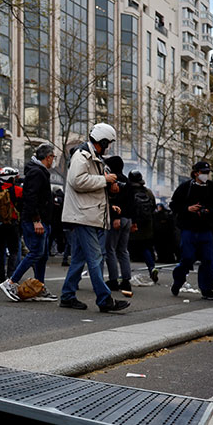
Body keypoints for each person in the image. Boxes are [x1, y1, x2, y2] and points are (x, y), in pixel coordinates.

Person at [58, 123, 129, 313]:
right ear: (103, 141)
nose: (108, 147)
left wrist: (109, 187)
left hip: (87, 214)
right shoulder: (82, 156)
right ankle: (104, 299)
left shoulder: (93, 156)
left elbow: (90, 186)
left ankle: (67, 295)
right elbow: (77, 181)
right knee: (96, 258)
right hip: (84, 215)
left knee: (79, 260)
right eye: (108, 143)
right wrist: (104, 181)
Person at [0, 144, 57, 302]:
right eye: (53, 157)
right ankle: (11, 282)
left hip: (42, 220)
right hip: (35, 221)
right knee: (36, 253)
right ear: (48, 157)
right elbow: (30, 197)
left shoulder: (38, 172)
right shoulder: (37, 173)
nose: (53, 160)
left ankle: (39, 287)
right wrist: (36, 220)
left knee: (42, 255)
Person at [169, 161, 213, 300]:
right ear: (196, 173)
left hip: (206, 230)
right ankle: (178, 281)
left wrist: (208, 211)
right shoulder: (185, 187)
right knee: (187, 258)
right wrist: (188, 209)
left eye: (207, 173)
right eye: (202, 172)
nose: (205, 175)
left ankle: (207, 290)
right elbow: (174, 204)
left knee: (208, 260)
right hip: (189, 229)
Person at [103, 155, 134, 297]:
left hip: (118, 219)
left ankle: (114, 279)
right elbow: (132, 202)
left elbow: (116, 201)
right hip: (127, 219)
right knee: (123, 250)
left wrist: (116, 218)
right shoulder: (127, 181)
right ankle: (126, 280)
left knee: (110, 249)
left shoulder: (114, 180)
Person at [0, 167, 23, 284]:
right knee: (14, 250)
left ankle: (0, 274)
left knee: (0, 249)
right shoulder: (17, 190)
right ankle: (11, 274)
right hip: (12, 223)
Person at [126, 170, 159, 283]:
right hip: (147, 226)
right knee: (146, 249)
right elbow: (154, 207)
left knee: (125, 250)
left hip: (132, 225)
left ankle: (125, 274)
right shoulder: (148, 192)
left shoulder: (128, 191)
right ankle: (152, 268)